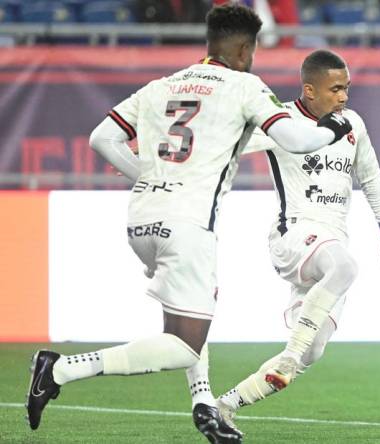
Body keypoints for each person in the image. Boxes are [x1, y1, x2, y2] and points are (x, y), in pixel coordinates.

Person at [26, 5, 352, 443]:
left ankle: (203, 404)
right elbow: (294, 140)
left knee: (196, 306)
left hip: (141, 220)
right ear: (243, 49)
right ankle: (60, 369)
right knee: (182, 345)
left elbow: (101, 138)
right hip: (188, 224)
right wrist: (331, 128)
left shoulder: (163, 85)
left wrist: (146, 175)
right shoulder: (244, 85)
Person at [213, 49, 380, 435]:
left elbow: (371, 176)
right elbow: (221, 145)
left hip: (331, 243)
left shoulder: (353, 124)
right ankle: (290, 353)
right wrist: (148, 154)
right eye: (335, 89)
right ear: (309, 90)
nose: (344, 96)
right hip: (294, 233)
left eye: (347, 88)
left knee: (311, 352)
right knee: (345, 266)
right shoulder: (278, 120)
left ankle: (225, 405)